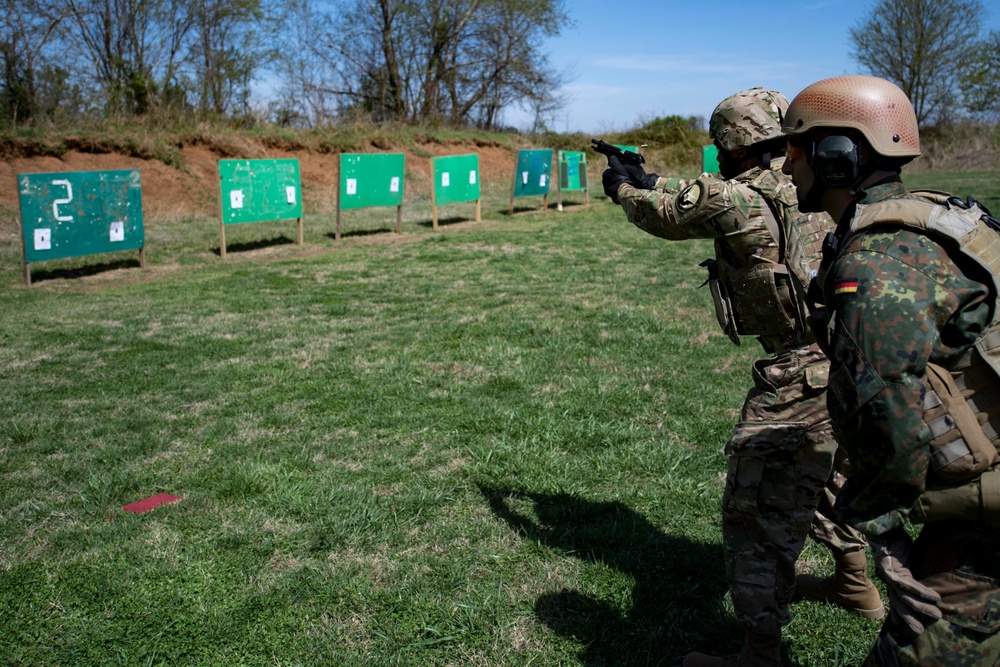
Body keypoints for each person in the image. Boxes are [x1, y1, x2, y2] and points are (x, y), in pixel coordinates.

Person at [601, 88, 880, 667]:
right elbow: (704, 196)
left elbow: (670, 213)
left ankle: (760, 653)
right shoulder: (814, 185)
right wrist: (652, 177)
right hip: (850, 360)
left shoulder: (737, 196)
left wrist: (624, 187)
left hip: (799, 370)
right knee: (830, 475)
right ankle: (856, 583)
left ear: (733, 144)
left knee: (753, 512)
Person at [781, 74, 1000, 665]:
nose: (786, 167)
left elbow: (888, 419)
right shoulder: (940, 220)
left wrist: (883, 534)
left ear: (837, 157)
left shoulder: (877, 262)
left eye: (796, 150)